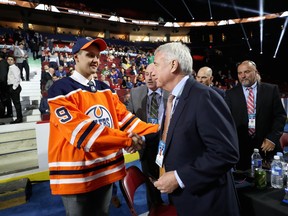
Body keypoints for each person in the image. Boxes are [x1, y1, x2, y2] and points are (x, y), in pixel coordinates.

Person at [47, 37, 159, 216]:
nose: (95, 60)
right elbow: (83, 133)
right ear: (76, 57)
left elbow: (126, 120)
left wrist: (159, 131)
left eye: (97, 56)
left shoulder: (105, 89)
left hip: (106, 172)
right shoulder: (60, 89)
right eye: (89, 55)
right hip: (77, 176)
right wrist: (127, 140)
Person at [151, 42, 240, 216]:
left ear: (173, 65)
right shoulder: (173, 98)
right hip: (186, 200)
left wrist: (179, 177)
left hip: (208, 203)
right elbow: (175, 137)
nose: (152, 71)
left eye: (156, 64)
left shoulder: (204, 97)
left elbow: (226, 153)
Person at [225, 60, 287, 171]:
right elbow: (227, 120)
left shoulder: (271, 90)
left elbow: (280, 116)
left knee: (272, 184)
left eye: (247, 72)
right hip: (241, 148)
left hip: (267, 146)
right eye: (240, 73)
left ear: (256, 72)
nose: (243, 76)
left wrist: (272, 139)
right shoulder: (230, 94)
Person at [126, 63, 169, 209]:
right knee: (151, 189)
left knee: (173, 186)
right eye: (147, 74)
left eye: (154, 75)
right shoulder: (135, 93)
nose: (149, 78)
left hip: (168, 146)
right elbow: (127, 119)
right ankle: (155, 208)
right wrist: (130, 139)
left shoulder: (171, 92)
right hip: (146, 146)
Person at [7, 55, 23, 124]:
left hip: (14, 87)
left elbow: (17, 78)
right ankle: (19, 117)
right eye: (8, 59)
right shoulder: (10, 67)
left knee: (16, 104)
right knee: (16, 103)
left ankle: (19, 118)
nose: (10, 61)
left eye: (11, 59)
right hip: (12, 87)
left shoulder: (14, 68)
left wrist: (14, 88)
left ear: (14, 61)